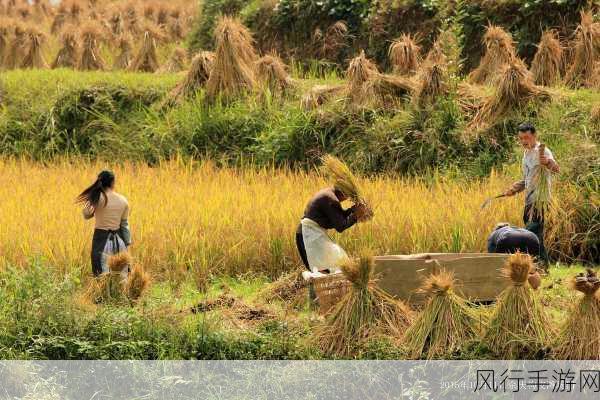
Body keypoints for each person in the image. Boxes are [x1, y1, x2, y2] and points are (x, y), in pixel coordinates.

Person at [503, 123, 559, 268]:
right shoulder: (526, 154)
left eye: (526, 137)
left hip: (540, 200)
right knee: (535, 235)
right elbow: (527, 179)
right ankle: (542, 265)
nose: (523, 141)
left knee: (530, 231)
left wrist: (547, 162)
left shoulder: (543, 150)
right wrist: (514, 189)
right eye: (521, 138)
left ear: (534, 136)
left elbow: (555, 168)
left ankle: (532, 265)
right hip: (529, 200)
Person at [296, 187, 371, 275]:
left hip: (312, 234)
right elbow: (340, 226)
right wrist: (355, 215)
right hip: (307, 235)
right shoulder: (331, 199)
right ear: (344, 194)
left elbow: (338, 216)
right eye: (348, 197)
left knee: (329, 265)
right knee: (323, 267)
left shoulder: (328, 194)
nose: (346, 199)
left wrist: (353, 210)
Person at [76, 170, 132, 276]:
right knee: (120, 276)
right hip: (119, 243)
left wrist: (92, 199)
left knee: (101, 275)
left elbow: (86, 215)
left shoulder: (97, 198)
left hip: (101, 241)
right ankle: (118, 293)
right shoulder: (123, 200)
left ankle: (104, 293)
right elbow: (124, 225)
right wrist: (127, 246)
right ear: (113, 183)